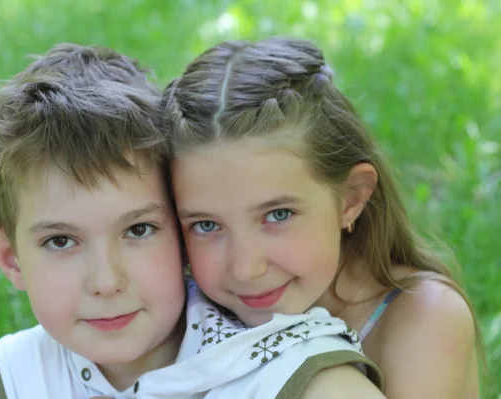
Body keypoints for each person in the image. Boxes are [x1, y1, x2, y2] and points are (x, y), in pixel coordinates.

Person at [0, 43, 383, 399]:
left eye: (138, 230)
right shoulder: (16, 374)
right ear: (11, 257)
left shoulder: (299, 377)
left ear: (183, 233)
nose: (106, 282)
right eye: (61, 241)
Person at [162, 37, 481, 398]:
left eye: (278, 215)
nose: (245, 269)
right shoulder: (186, 312)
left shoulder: (423, 318)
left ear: (350, 198)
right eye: (207, 225)